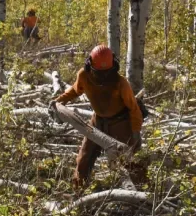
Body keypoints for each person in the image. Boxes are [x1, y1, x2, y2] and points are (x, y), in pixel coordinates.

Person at [54, 43, 145, 187]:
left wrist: (135, 132)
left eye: (106, 73)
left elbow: (134, 109)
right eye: (99, 73)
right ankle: (79, 191)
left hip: (121, 124)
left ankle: (141, 192)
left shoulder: (120, 83)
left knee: (131, 161)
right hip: (97, 122)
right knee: (84, 158)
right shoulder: (84, 75)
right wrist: (60, 100)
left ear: (113, 67)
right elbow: (75, 90)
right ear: (90, 65)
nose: (103, 77)